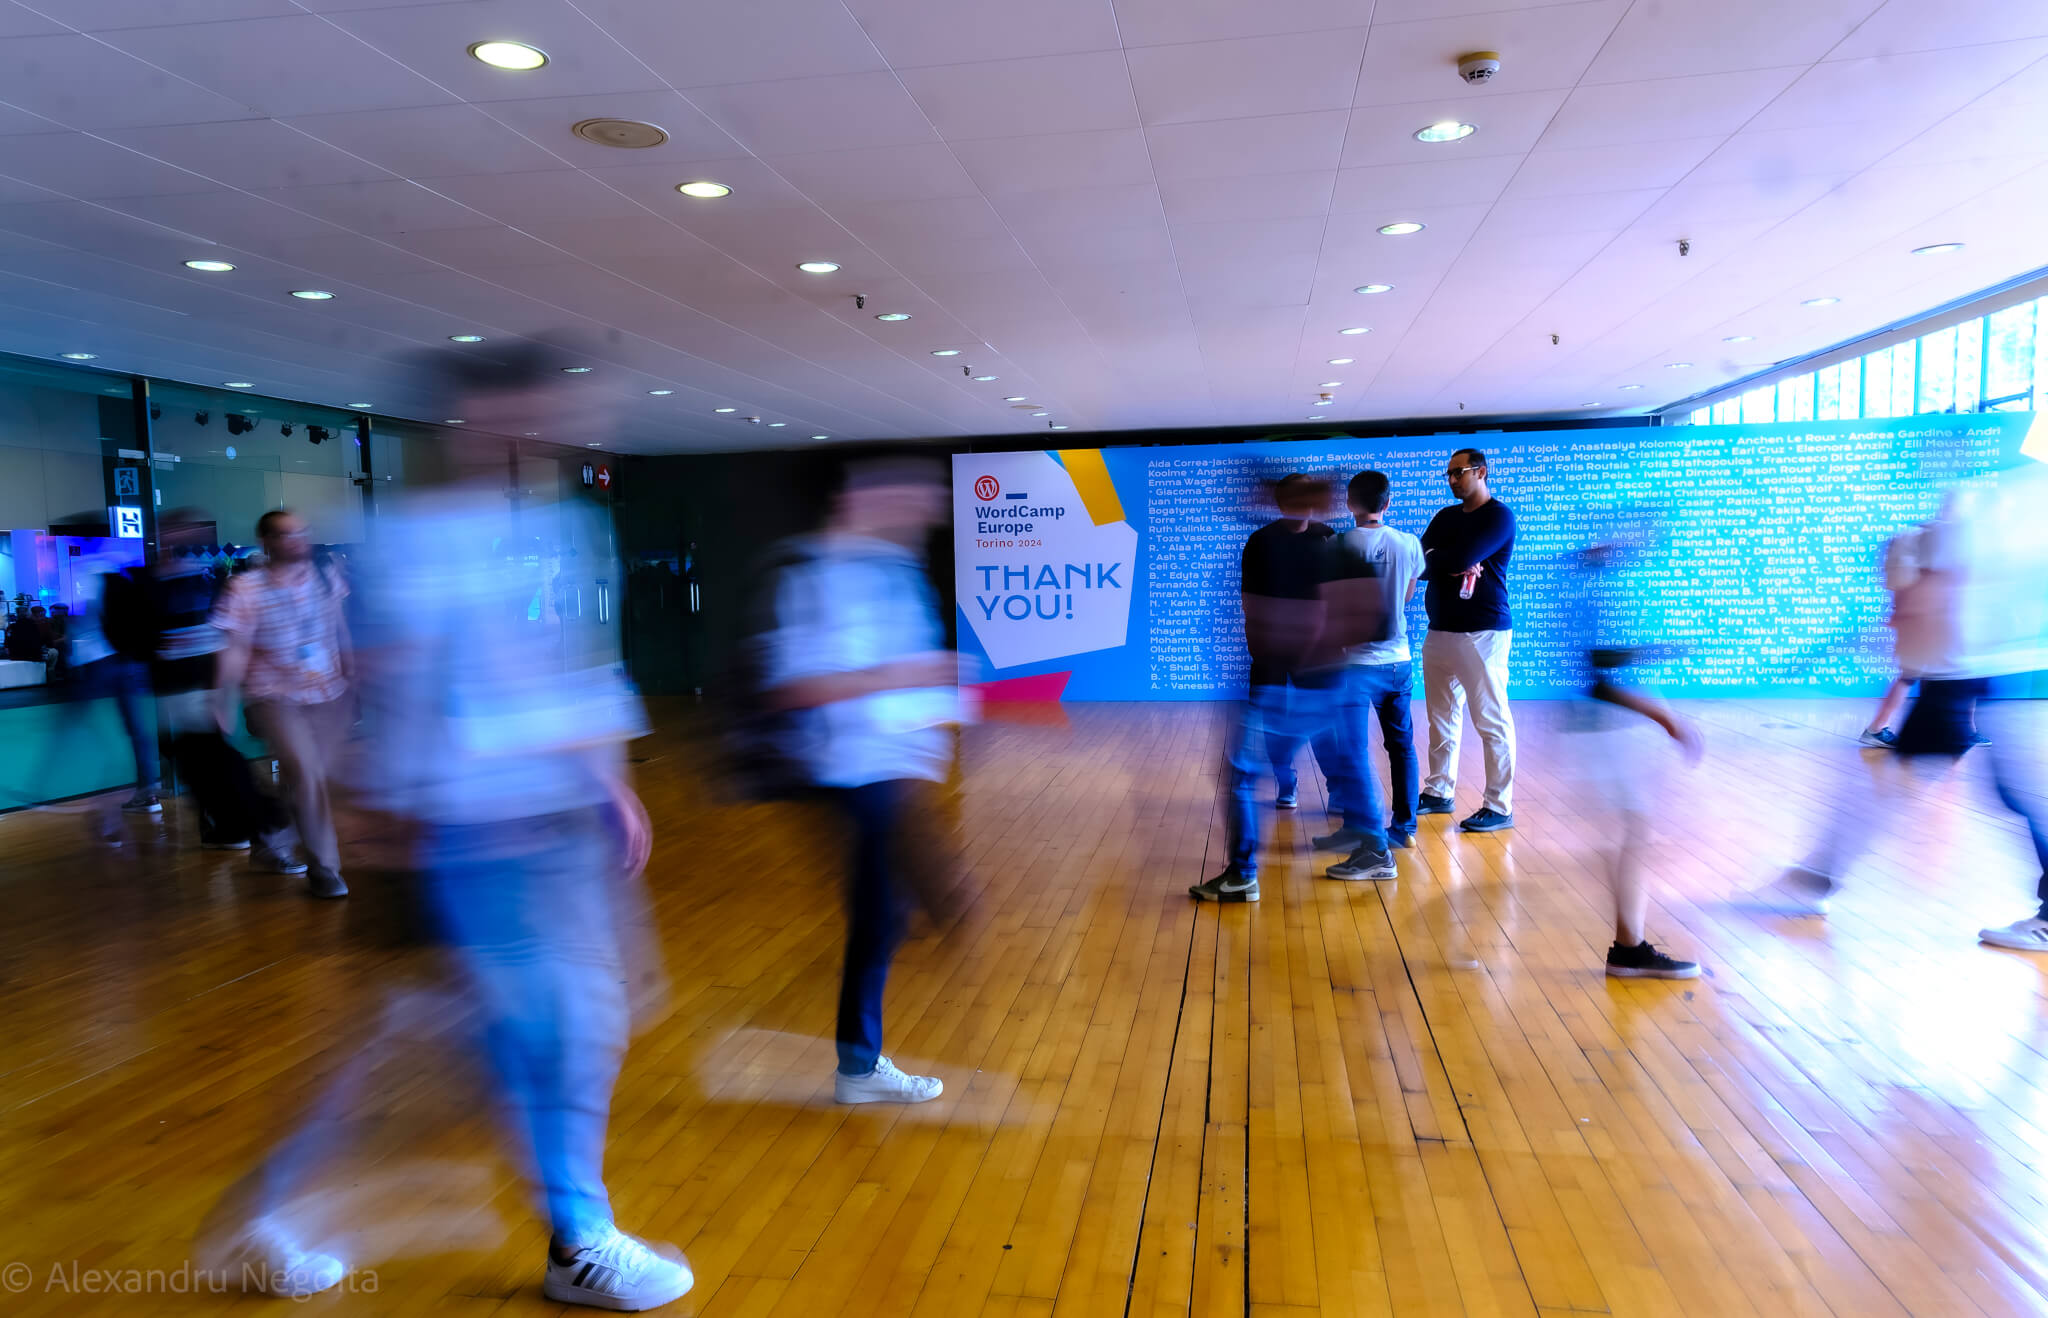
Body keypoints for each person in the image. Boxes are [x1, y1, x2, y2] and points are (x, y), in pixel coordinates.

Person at [756, 449, 960, 1103]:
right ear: (855, 501)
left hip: (888, 769)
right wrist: (899, 676)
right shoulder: (812, 574)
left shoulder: (894, 570)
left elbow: (905, 669)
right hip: (849, 773)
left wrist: (933, 693)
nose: (918, 515)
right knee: (884, 915)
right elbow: (794, 689)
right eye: (905, 501)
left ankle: (859, 1063)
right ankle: (858, 1068)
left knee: (886, 916)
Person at [1192, 474, 1393, 901]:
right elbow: (1253, 604)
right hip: (1296, 673)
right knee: (1345, 758)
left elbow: (1371, 618)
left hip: (1318, 677)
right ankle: (1371, 843)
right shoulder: (1265, 542)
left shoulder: (1330, 543)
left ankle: (1243, 874)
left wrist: (1311, 636)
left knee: (1247, 769)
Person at [1563, 537, 1705, 978]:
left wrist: (1655, 652)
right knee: (1634, 830)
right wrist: (1665, 718)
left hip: (1602, 728)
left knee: (1633, 831)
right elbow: (1601, 677)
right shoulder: (1595, 593)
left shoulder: (1594, 591)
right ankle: (1628, 948)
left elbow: (1607, 660)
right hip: (1603, 729)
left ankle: (1629, 945)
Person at [211, 509, 352, 898]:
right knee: (306, 773)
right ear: (266, 541)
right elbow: (235, 649)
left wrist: (352, 670)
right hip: (273, 695)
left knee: (308, 777)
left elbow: (339, 626)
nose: (298, 540)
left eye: (302, 532)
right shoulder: (245, 588)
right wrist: (223, 699)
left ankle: (268, 837)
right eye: (287, 534)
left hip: (327, 691)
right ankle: (325, 869)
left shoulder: (326, 576)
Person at [1311, 470, 1425, 860]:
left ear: (1349, 504)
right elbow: (1407, 595)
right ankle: (1404, 828)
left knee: (1353, 750)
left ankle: (1360, 829)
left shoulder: (1337, 546)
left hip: (1355, 663)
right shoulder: (1408, 543)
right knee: (1402, 746)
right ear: (1387, 503)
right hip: (1398, 661)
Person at [1418, 448, 1518, 833]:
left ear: (1481, 472)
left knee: (1491, 721)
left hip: (1483, 632)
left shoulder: (1498, 516)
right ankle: (1439, 791)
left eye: (1458, 472)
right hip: (1440, 629)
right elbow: (1419, 561)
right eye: (1449, 474)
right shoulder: (1445, 516)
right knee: (1440, 718)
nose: (1452, 480)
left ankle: (1499, 806)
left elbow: (1460, 557)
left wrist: (1448, 558)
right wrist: (1450, 560)